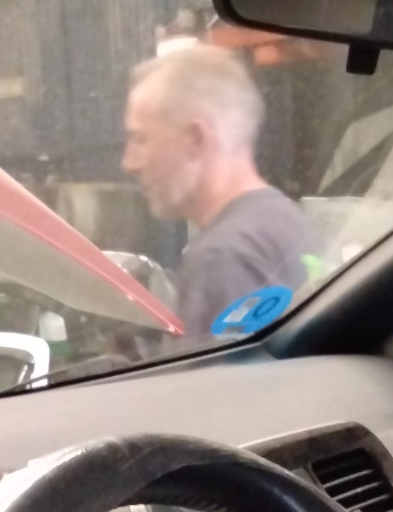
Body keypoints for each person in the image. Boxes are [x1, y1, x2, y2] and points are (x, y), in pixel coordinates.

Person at [122, 44, 320, 339]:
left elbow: (218, 371)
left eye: (140, 138)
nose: (129, 163)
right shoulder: (284, 222)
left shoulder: (224, 258)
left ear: (195, 139)